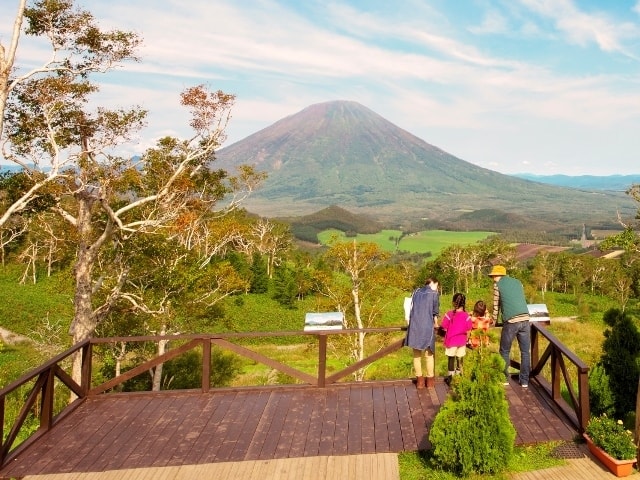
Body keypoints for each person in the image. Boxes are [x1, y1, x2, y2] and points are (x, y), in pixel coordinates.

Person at [488, 265, 531, 387]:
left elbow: (496, 306)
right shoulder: (518, 282)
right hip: (525, 319)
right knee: (525, 352)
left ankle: (504, 378)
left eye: (493, 276)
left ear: (497, 275)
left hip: (511, 321)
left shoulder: (497, 286)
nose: (493, 279)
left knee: (504, 350)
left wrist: (494, 320)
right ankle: (524, 381)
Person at [403, 277, 440, 389]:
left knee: (416, 355)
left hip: (414, 326)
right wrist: (436, 324)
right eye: (437, 286)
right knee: (429, 355)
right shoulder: (434, 294)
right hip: (427, 327)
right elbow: (435, 313)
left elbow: (410, 307)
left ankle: (419, 381)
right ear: (433, 283)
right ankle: (429, 381)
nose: (437, 288)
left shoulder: (416, 292)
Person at [440, 292, 473, 386]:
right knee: (460, 358)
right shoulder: (466, 316)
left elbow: (443, 326)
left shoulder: (449, 314)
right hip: (462, 341)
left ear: (454, 302)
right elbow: (469, 328)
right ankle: (459, 377)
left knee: (451, 359)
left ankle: (450, 379)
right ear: (464, 303)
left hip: (451, 340)